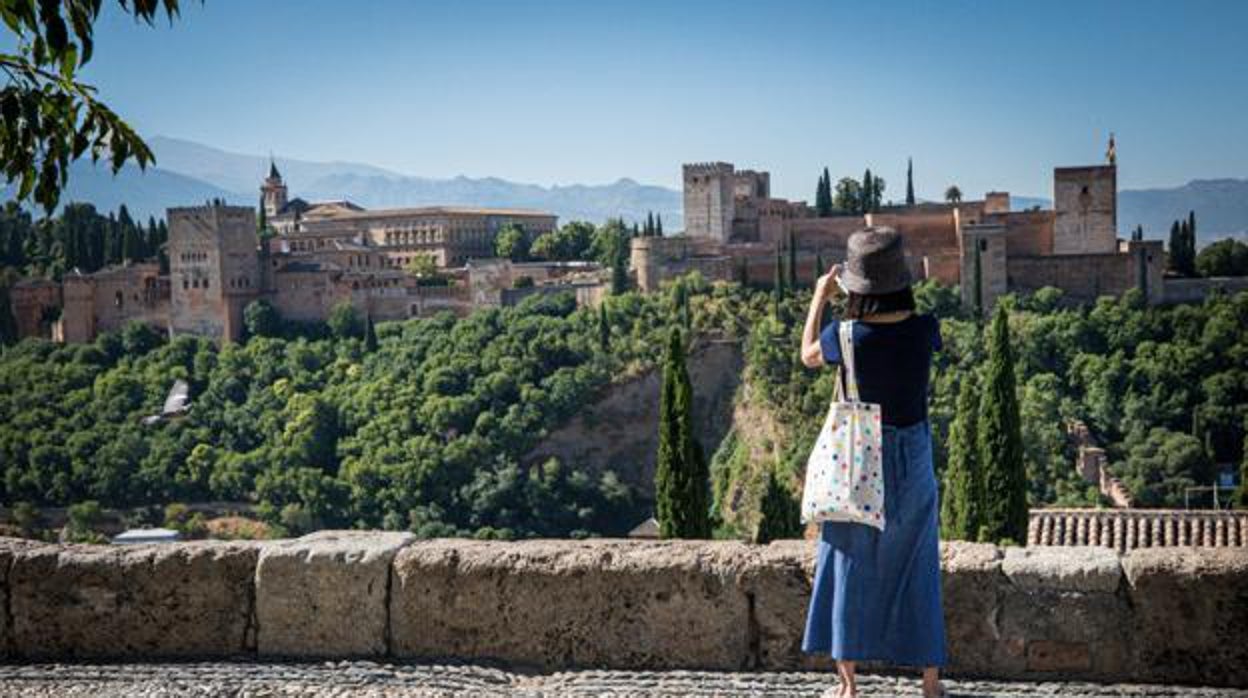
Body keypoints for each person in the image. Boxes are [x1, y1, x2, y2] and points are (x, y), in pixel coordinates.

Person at [798, 227, 947, 698]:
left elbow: (806, 357)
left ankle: (848, 688)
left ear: (854, 285)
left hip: (860, 458)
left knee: (847, 560)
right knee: (918, 564)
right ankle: (929, 685)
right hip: (916, 453)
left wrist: (820, 297)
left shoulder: (845, 336)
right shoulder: (927, 329)